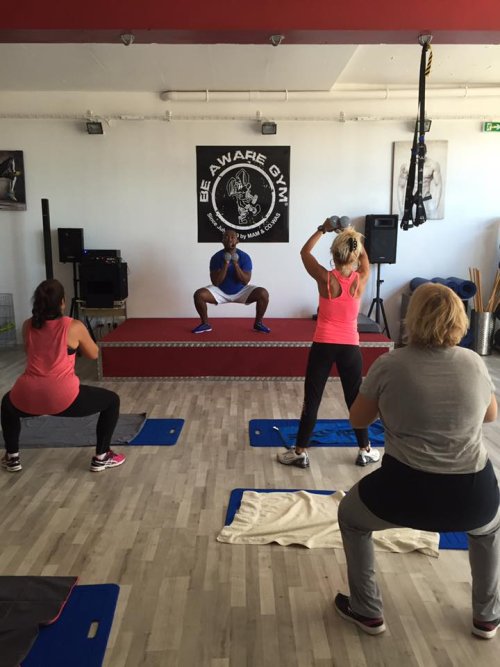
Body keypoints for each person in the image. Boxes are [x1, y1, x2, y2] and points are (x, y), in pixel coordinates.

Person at [335, 283, 499, 639]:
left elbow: (357, 420)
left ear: (413, 317)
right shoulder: (474, 361)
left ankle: (367, 611)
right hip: (473, 497)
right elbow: (490, 416)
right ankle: (487, 616)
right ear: (459, 317)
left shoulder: (390, 364)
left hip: (404, 493)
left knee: (350, 517)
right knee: (489, 529)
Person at [277, 218, 380, 469]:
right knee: (355, 400)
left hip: (323, 345)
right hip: (350, 348)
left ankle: (300, 451)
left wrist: (323, 229)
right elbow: (364, 259)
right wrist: (350, 233)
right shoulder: (361, 278)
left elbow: (305, 252)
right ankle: (365, 449)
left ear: (333, 255)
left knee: (312, 400)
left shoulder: (325, 278)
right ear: (353, 255)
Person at [1, 279, 126, 473]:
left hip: (27, 395)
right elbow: (94, 354)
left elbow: (30, 351)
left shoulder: (27, 325)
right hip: (63, 397)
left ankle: (12, 457)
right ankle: (102, 457)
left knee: (7, 404)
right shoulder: (73, 326)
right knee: (112, 401)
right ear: (62, 302)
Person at [192, 228, 270, 334]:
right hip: (220, 291)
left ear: (237, 241)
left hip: (241, 290)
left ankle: (258, 323)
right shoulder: (216, 258)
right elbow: (216, 282)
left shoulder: (245, 257)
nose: (229, 240)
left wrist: (236, 264)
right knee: (199, 295)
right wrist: (226, 264)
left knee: (263, 293)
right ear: (222, 241)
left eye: (233, 237)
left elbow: (245, 281)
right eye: (226, 237)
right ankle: (205, 324)